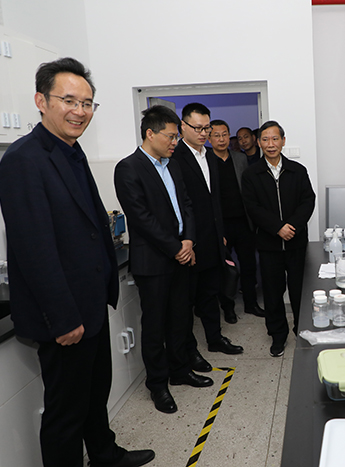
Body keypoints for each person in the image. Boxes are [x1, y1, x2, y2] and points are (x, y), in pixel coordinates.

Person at [0, 58, 154, 467]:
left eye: (87, 103)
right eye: (69, 100)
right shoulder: (23, 159)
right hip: (65, 314)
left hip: (90, 303)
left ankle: (104, 454)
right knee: (65, 411)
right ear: (41, 101)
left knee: (94, 392)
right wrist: (64, 318)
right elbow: (35, 250)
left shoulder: (71, 151)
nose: (80, 111)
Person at [114, 105, 214, 415]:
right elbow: (141, 217)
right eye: (170, 136)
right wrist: (175, 247)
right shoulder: (129, 168)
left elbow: (187, 205)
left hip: (181, 255)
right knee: (155, 326)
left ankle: (180, 370)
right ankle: (157, 384)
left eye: (175, 137)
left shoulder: (173, 165)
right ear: (150, 133)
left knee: (181, 319)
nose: (175, 142)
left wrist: (189, 241)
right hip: (154, 261)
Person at [171, 104, 244, 356]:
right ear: (183, 127)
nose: (203, 133)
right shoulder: (174, 158)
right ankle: (189, 351)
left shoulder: (211, 157)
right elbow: (178, 205)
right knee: (187, 301)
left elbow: (216, 201)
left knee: (211, 293)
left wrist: (219, 233)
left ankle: (215, 338)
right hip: (189, 243)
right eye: (198, 128)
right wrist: (186, 240)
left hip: (212, 239)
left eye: (206, 128)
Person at [242, 121, 315, 357]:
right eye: (265, 139)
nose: (270, 144)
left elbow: (308, 201)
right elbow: (252, 207)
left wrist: (291, 227)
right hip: (269, 244)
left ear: (283, 141)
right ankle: (278, 336)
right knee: (273, 294)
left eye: (275, 139)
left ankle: (302, 331)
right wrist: (277, 228)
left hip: (296, 243)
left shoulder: (297, 170)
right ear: (259, 142)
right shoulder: (251, 174)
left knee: (299, 292)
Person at [208, 119, 265, 322]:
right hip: (220, 225)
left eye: (225, 134)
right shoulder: (205, 160)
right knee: (225, 269)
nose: (221, 139)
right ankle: (228, 308)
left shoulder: (240, 158)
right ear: (209, 138)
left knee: (249, 265)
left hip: (243, 222)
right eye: (216, 135)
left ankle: (251, 303)